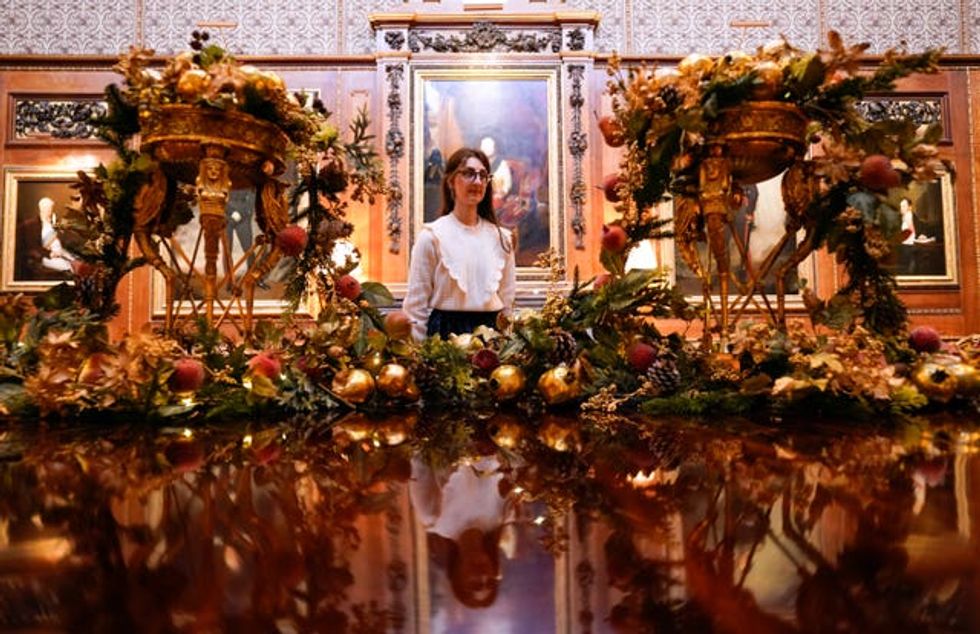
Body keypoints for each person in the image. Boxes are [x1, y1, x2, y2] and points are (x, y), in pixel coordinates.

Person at [403, 147, 517, 341]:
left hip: (491, 338)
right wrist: (419, 355)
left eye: (483, 175)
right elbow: (416, 305)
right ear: (450, 181)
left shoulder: (502, 238)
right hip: (445, 337)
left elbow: (507, 302)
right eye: (469, 174)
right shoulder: (431, 237)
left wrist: (508, 346)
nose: (477, 181)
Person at [37, 197, 76, 272]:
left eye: (51, 208)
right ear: (41, 209)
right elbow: (43, 245)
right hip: (49, 256)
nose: (50, 211)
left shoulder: (54, 221)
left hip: (61, 252)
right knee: (68, 267)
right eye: (47, 208)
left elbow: (64, 237)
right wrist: (51, 253)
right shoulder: (36, 225)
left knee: (76, 262)